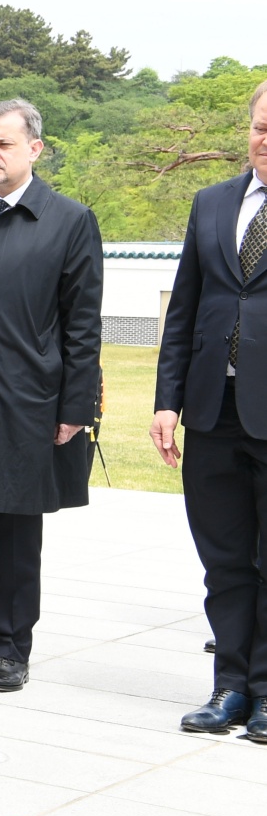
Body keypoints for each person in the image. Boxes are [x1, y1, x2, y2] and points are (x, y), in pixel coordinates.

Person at [0, 99, 103, 695]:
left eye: (2, 144)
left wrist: (75, 408)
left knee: (16, 534)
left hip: (30, 401)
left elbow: (83, 323)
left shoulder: (68, 220)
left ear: (35, 147)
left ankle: (10, 648)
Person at [152, 80, 267, 739]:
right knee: (222, 556)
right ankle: (228, 686)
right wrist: (167, 400)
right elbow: (183, 312)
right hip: (211, 409)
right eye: (258, 126)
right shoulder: (210, 203)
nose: (264, 140)